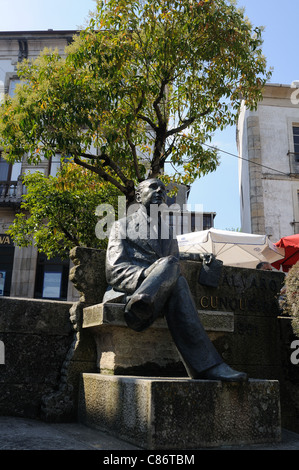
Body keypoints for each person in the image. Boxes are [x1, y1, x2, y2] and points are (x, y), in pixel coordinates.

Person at [104, 178, 247, 382]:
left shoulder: (167, 232)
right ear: (138, 196)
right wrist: (149, 274)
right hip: (129, 291)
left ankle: (142, 306)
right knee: (173, 272)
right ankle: (208, 366)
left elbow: (174, 263)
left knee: (175, 275)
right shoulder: (121, 226)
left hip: (154, 298)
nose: (159, 191)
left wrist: (199, 257)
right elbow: (114, 270)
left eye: (162, 189)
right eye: (153, 187)